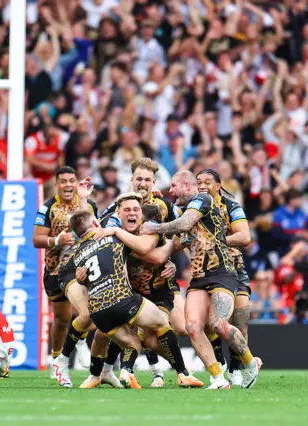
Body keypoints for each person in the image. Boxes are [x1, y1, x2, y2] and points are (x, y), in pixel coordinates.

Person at [141, 170, 262, 389]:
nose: (171, 192)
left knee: (219, 324)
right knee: (193, 326)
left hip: (221, 271)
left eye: (174, 187)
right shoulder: (185, 209)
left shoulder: (202, 200)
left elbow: (185, 224)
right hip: (198, 276)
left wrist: (155, 228)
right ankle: (217, 377)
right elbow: (176, 236)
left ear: (187, 186)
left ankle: (249, 363)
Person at [66, 204, 197, 390]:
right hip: (123, 299)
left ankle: (98, 375)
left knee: (126, 341)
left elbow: (88, 275)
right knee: (161, 323)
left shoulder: (77, 253)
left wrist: (81, 280)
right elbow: (147, 251)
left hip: (98, 311)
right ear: (97, 222)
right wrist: (171, 245)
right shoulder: (114, 238)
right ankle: (183, 374)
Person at [99, 158, 186, 387]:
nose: (143, 183)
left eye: (148, 179)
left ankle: (208, 367)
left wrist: (171, 260)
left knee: (182, 328)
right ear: (131, 180)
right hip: (128, 282)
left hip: (160, 280)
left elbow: (180, 233)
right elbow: (100, 233)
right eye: (139, 179)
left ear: (154, 182)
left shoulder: (164, 206)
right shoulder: (118, 207)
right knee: (132, 329)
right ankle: (118, 371)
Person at [32, 167, 98, 378]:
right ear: (56, 184)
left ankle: (80, 342)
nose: (68, 185)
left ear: (77, 182)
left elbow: (97, 232)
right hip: (54, 270)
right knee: (61, 318)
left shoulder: (89, 205)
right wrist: (57, 241)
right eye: (63, 181)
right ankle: (57, 359)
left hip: (82, 269)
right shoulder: (48, 207)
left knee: (83, 312)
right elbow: (36, 239)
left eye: (71, 180)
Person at [197, 169, 253, 386]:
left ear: (218, 185)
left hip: (235, 269)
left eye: (207, 182)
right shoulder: (195, 207)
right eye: (199, 182)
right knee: (212, 322)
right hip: (207, 271)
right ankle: (220, 364)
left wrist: (215, 240)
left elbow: (245, 236)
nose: (202, 186)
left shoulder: (232, 207)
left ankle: (236, 368)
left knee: (240, 322)